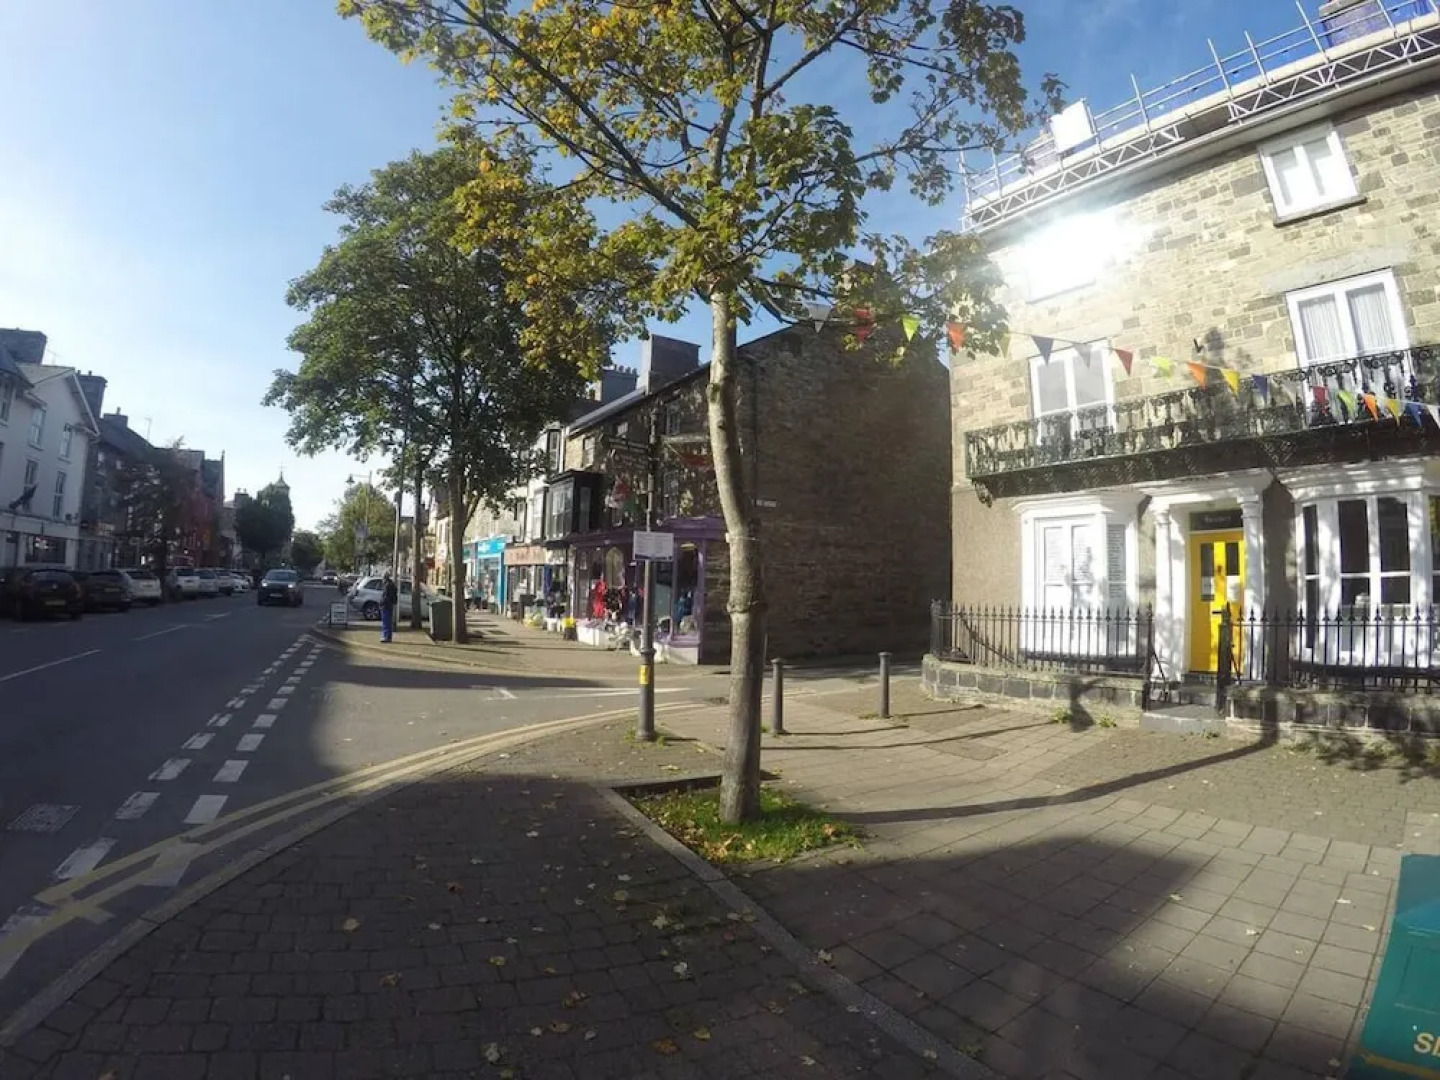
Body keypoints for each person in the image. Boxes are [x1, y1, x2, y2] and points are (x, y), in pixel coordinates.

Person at [380, 573, 398, 642]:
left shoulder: (387, 586)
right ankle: (388, 636)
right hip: (389, 605)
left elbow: (385, 596)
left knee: (386, 622)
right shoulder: (391, 584)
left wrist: (381, 603)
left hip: (386, 606)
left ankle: (386, 637)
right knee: (388, 622)